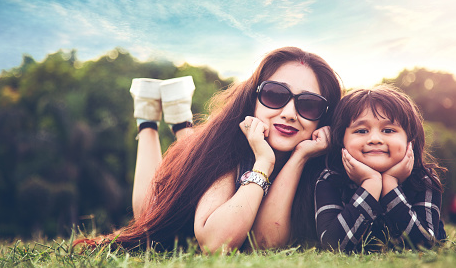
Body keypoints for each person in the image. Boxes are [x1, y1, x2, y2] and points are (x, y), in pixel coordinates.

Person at [75, 47, 343, 253]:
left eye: (308, 105)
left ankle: (181, 119)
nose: (289, 114)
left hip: (210, 156)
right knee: (149, 207)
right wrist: (263, 160)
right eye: (275, 95)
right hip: (187, 193)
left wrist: (299, 157)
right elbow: (216, 243)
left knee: (191, 152)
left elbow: (265, 241)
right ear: (254, 98)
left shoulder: (322, 160)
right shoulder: (227, 146)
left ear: (324, 117)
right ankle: (147, 117)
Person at [314, 85, 446, 253]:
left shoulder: (423, 179)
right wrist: (370, 184)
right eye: (361, 131)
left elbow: (425, 245)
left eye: (388, 130)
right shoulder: (330, 179)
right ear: (342, 140)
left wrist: (390, 185)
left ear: (409, 140)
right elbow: (332, 245)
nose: (375, 139)